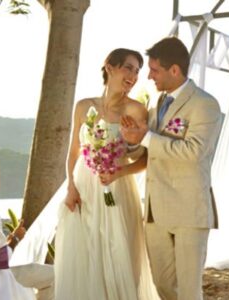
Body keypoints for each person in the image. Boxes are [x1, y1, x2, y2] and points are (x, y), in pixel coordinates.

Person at [120, 37, 224, 300]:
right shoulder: (156, 103)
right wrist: (131, 143)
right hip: (155, 212)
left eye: (154, 70)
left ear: (174, 70)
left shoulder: (205, 104)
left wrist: (145, 138)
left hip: (189, 211)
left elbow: (194, 152)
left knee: (189, 291)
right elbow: (150, 151)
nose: (149, 75)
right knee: (163, 286)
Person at [53, 47, 155, 299]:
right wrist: (71, 186)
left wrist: (119, 172)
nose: (133, 75)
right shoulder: (83, 106)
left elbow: (145, 159)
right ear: (110, 67)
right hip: (83, 187)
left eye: (138, 71)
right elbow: (74, 150)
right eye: (128, 67)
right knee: (85, 251)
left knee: (118, 250)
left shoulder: (136, 110)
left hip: (117, 187)